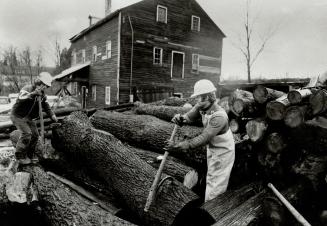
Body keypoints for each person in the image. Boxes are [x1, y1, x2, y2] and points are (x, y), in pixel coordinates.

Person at [166, 79, 235, 202]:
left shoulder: (220, 116)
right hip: (213, 147)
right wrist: (180, 119)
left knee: (216, 183)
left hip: (223, 151)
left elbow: (204, 138)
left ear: (207, 97)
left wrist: (178, 146)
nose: (196, 100)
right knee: (211, 176)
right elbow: (188, 117)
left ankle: (213, 210)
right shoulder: (201, 106)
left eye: (199, 97)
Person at [10, 72, 58, 165]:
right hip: (17, 115)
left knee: (35, 135)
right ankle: (20, 156)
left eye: (46, 86)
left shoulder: (42, 95)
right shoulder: (27, 89)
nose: (45, 88)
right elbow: (21, 97)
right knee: (27, 133)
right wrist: (33, 94)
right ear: (38, 82)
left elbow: (46, 105)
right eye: (44, 85)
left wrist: (52, 116)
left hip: (28, 117)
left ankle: (30, 155)